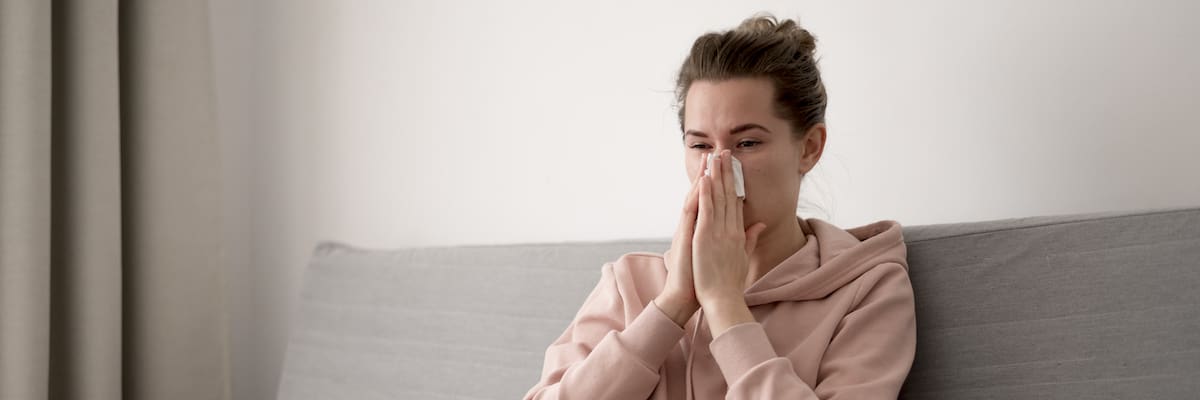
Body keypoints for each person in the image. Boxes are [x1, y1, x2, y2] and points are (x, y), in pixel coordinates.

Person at [524, 12, 915, 399]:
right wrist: (671, 307)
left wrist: (725, 306)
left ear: (809, 148)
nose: (718, 167)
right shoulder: (631, 283)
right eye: (700, 146)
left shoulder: (867, 288)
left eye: (746, 143)